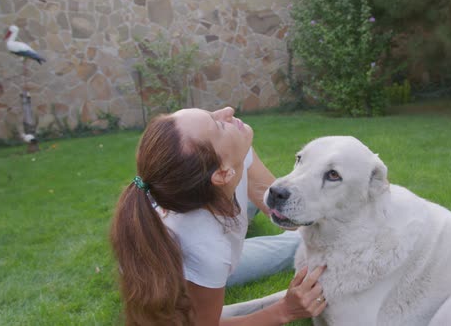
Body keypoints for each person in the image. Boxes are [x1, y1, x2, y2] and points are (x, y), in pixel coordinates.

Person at [110, 107, 327, 325]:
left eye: (212, 115)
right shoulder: (206, 248)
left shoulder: (232, 154)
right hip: (185, 265)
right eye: (218, 125)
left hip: (214, 204)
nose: (228, 111)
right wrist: (284, 310)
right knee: (295, 243)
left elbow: (281, 209)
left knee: (285, 223)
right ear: (223, 173)